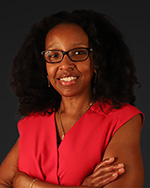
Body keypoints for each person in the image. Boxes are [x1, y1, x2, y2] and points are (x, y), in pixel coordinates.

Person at [0, 10, 144, 188]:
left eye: (78, 53)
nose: (65, 65)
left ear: (97, 61)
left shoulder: (121, 120)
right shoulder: (32, 122)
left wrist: (28, 184)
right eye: (54, 55)